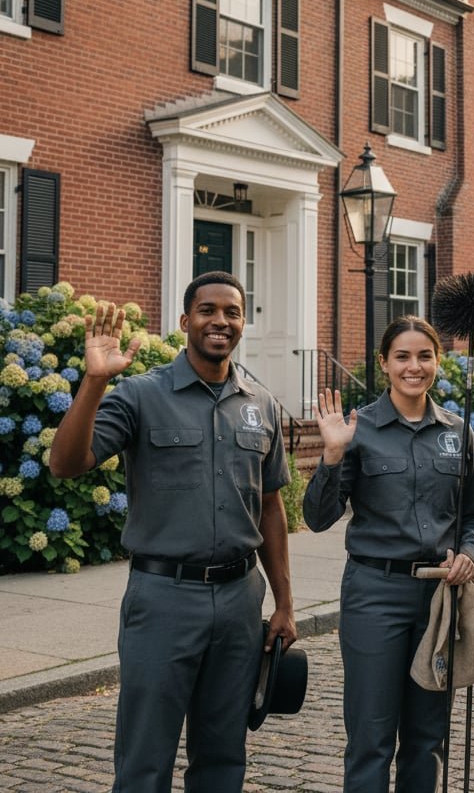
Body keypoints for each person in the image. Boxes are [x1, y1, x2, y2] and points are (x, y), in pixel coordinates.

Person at [49, 270, 296, 793]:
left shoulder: (263, 404)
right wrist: (94, 382)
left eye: (232, 311)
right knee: (144, 759)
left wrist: (285, 603)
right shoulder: (140, 395)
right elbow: (66, 464)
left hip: (239, 602)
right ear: (186, 321)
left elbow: (271, 508)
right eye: (208, 310)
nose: (220, 321)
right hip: (162, 599)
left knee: (224, 756)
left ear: (243, 322)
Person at [302, 315, 474, 793]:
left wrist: (469, 552)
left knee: (428, 737)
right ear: (383, 363)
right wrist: (332, 456)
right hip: (375, 595)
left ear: (436, 362)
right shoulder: (356, 431)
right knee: (371, 736)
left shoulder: (457, 432)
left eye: (424, 356)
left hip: (438, 600)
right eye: (402, 356)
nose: (414, 366)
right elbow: (318, 518)